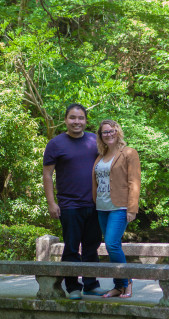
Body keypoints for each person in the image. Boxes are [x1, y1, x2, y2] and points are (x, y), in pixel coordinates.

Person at [43, 104, 107, 300]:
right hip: (69, 205)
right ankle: (72, 287)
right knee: (71, 247)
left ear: (86, 121)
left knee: (91, 246)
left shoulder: (94, 140)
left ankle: (91, 284)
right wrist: (51, 203)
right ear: (65, 120)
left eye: (80, 118)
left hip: (95, 204)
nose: (76, 122)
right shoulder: (56, 144)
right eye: (72, 118)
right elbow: (47, 175)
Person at [92, 119, 141, 298]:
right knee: (112, 246)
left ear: (118, 132)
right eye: (105, 132)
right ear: (101, 136)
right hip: (102, 207)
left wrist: (132, 208)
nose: (109, 134)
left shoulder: (129, 153)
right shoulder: (100, 157)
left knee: (112, 243)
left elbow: (134, 181)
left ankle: (126, 282)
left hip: (119, 207)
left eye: (112, 130)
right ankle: (118, 286)